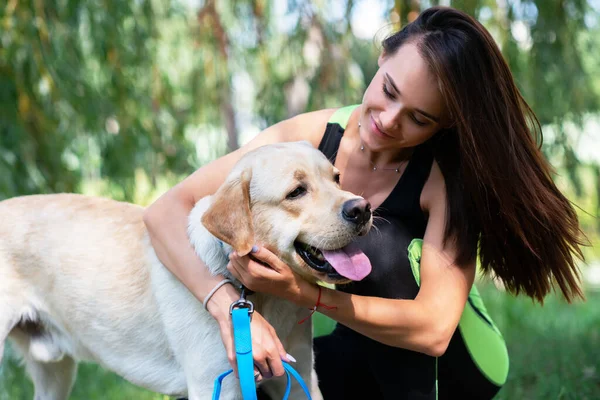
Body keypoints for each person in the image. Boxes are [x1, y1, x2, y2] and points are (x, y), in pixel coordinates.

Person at [143, 6, 585, 399]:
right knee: (236, 371)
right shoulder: (306, 141)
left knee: (379, 245)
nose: (389, 122)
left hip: (451, 367)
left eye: (419, 118)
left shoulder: (446, 181)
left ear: (446, 124)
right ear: (381, 58)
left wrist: (304, 294)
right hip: (359, 346)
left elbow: (433, 330)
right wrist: (225, 307)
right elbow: (166, 210)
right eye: (389, 91)